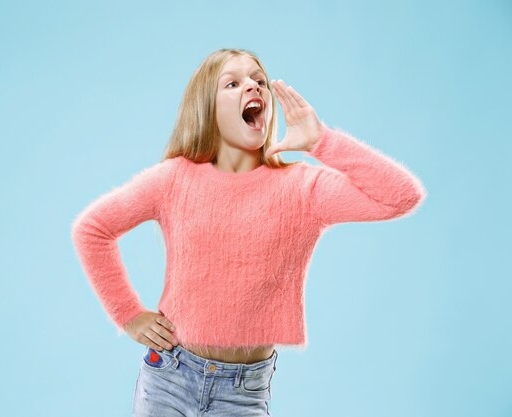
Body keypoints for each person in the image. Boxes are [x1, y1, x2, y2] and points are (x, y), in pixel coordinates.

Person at [70, 48, 427, 416]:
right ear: (207, 106)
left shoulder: (302, 188)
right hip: (169, 377)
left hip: (243, 391)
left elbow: (400, 197)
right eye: (233, 83)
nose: (253, 87)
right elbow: (93, 229)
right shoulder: (174, 179)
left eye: (259, 80)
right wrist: (128, 314)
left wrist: (322, 141)